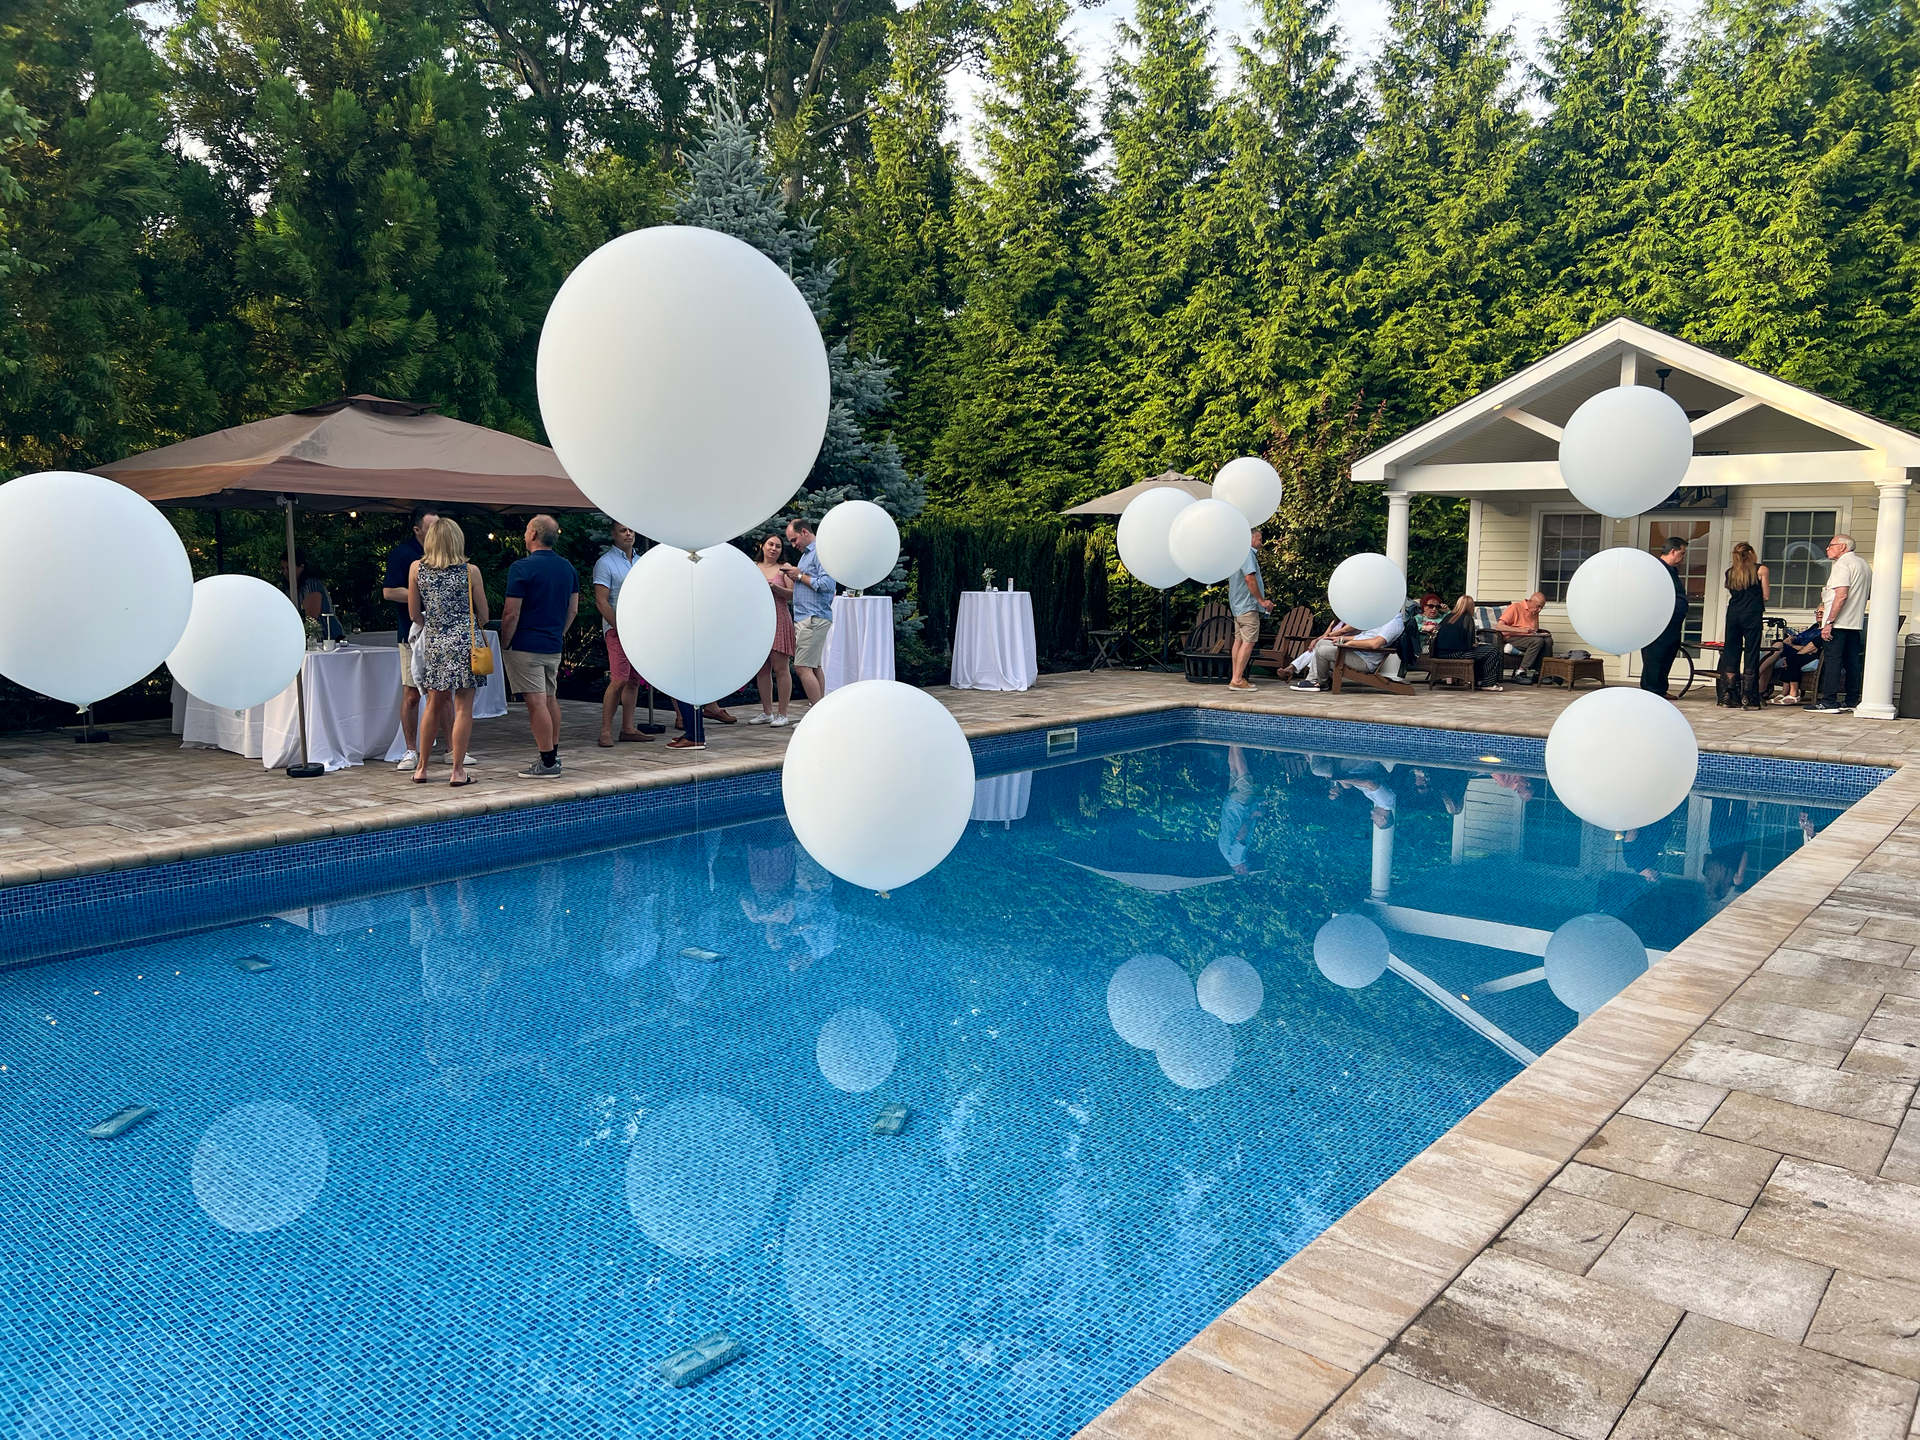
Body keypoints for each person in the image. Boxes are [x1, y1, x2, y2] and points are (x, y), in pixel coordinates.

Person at [406, 517, 488, 787]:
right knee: (463, 707)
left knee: (433, 703)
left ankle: (421, 768)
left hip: (437, 644)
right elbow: (484, 614)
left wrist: (437, 625)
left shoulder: (417, 569)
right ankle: (457, 771)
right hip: (466, 643)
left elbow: (414, 614)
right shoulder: (470, 571)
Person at [501, 514, 579, 778]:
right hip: (552, 645)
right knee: (549, 699)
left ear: (533, 533)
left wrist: (505, 641)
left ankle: (547, 763)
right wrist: (558, 632)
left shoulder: (521, 568)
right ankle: (553, 755)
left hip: (526, 645)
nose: (524, 535)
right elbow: (573, 609)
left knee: (536, 703)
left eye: (526, 530)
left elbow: (511, 612)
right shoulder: (568, 567)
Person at [383, 507, 440, 770]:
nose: (437, 532)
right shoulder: (402, 554)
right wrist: (422, 595)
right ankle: (410, 750)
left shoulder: (445, 554)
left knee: (445, 692)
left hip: (441, 633)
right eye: (431, 527)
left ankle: (452, 749)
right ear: (418, 530)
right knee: (412, 692)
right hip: (412, 634)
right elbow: (389, 592)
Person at [592, 523, 651, 748]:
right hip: (617, 629)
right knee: (619, 679)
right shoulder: (605, 563)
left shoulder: (642, 561)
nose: (628, 534)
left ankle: (628, 727)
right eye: (623, 530)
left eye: (632, 530)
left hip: (640, 629)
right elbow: (601, 601)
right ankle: (605, 730)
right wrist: (618, 626)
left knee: (634, 680)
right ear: (613, 534)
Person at [1808, 533, 1871, 712]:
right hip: (1855, 622)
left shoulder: (1842, 565)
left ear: (1842, 547)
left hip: (1839, 622)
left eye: (1831, 545)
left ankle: (1829, 701)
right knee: (1852, 662)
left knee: (1833, 660)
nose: (1827, 548)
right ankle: (1851, 700)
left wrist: (1829, 622)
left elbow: (1841, 595)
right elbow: (1867, 594)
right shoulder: (1864, 565)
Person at [1290, 609, 1406, 689]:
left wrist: (1350, 643)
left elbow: (1375, 644)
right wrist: (1341, 638)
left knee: (1322, 651)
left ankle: (1321, 683)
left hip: (1365, 660)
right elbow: (1364, 637)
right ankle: (1313, 680)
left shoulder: (1393, 622)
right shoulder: (1382, 618)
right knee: (1322, 642)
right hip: (1357, 652)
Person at [785, 518, 836, 703]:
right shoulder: (807, 554)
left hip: (813, 617)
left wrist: (799, 575)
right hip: (808, 617)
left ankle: (817, 715)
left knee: (801, 667)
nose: (793, 545)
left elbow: (827, 584)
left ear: (804, 532)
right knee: (814, 667)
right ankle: (821, 712)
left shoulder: (820, 553)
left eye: (794, 539)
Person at [751, 533, 797, 725]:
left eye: (778, 546)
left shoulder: (784, 569)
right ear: (763, 546)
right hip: (758, 622)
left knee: (780, 668)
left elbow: (792, 595)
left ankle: (783, 714)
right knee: (762, 669)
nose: (773, 549)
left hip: (779, 619)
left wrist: (775, 588)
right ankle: (766, 711)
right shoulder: (753, 568)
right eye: (770, 544)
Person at [1717, 540, 1769, 709]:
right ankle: (1749, 694)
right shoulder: (1761, 569)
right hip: (1752, 614)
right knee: (1751, 651)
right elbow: (1766, 595)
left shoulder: (1730, 572)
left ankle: (1729, 693)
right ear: (1751, 553)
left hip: (1733, 614)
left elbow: (1729, 588)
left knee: (1731, 650)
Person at [1639, 537, 1692, 697]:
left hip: (1673, 622)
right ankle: (1651, 691)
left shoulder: (1671, 570)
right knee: (1656, 656)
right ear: (1673, 551)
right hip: (1659, 621)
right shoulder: (1657, 568)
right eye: (1682, 553)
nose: (1683, 557)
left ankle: (1661, 689)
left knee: (1668, 654)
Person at [1225, 528, 1275, 693]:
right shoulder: (1247, 554)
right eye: (1259, 539)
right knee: (1249, 641)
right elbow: (1249, 578)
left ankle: (1236, 678)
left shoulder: (1237, 555)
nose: (1261, 542)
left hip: (1238, 606)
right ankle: (1237, 679)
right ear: (1250, 539)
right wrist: (1261, 601)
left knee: (1239, 641)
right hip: (1247, 606)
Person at [1432, 595, 1503, 690]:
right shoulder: (1467, 618)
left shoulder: (1448, 617)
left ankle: (1478, 679)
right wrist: (1478, 645)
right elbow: (1470, 643)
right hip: (1457, 653)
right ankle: (1487, 683)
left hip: (1440, 653)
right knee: (1493, 650)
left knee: (1482, 652)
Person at [1218, 745, 1258, 873]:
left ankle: (1236, 741)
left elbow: (1241, 835)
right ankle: (1230, 742)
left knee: (1244, 775)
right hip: (1230, 806)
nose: (1248, 867)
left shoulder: (1237, 858)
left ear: (1240, 871)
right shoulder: (1225, 853)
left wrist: (1252, 816)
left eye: (1247, 870)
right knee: (1233, 772)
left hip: (1240, 808)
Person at [1494, 592, 1550, 683]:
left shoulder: (1534, 611)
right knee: (1537, 641)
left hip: (1528, 638)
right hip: (1512, 637)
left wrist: (1537, 632)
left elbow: (1534, 628)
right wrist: (1522, 630)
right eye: (1538, 606)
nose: (1539, 610)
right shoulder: (1515, 607)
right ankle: (1520, 672)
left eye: (1541, 608)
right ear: (1530, 601)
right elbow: (1499, 626)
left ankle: (1540, 672)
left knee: (1548, 640)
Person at [286, 551, 343, 640]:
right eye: (282, 568)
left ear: (301, 567)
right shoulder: (293, 589)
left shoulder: (312, 585)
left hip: (329, 637)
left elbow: (311, 617)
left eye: (288, 568)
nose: (285, 572)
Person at [1770, 622, 1823, 705]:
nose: (1819, 614)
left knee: (1793, 658)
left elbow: (1814, 647)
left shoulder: (1826, 630)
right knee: (1789, 657)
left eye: (1822, 612)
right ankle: (1785, 692)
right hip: (1803, 651)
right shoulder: (1814, 627)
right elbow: (1799, 638)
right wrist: (1792, 638)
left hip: (1815, 655)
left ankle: (1794, 694)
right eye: (1817, 612)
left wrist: (1795, 647)